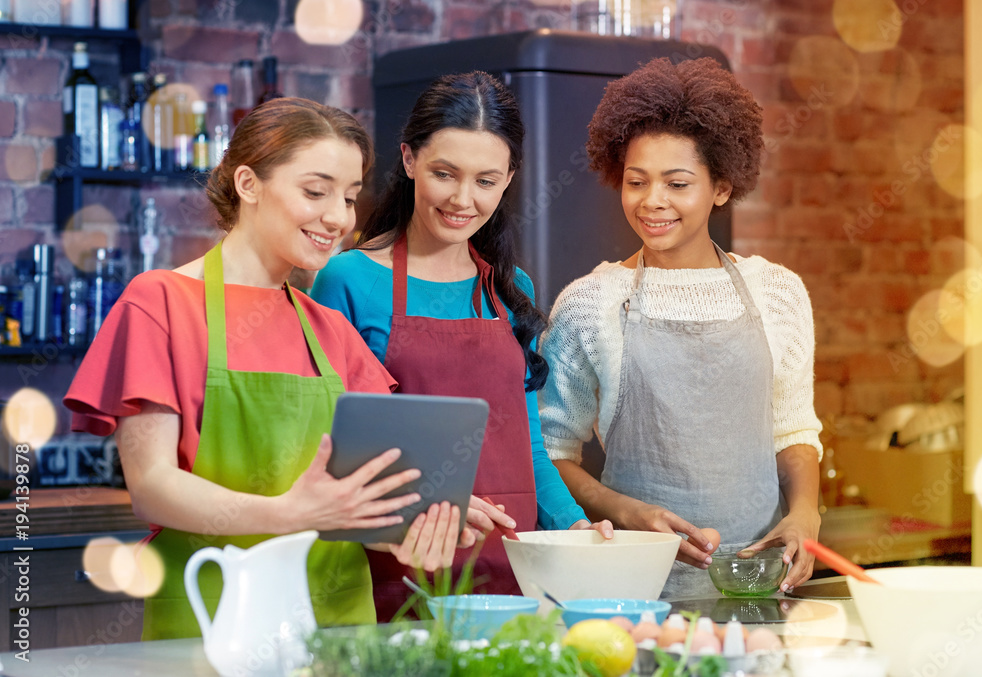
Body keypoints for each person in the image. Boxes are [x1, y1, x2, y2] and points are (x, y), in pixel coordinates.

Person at [64, 98, 464, 640]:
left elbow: (350, 504)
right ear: (249, 184)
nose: (338, 218)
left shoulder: (331, 331)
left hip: (335, 629)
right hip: (212, 622)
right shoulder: (159, 303)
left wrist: (412, 522)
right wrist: (290, 513)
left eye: (348, 198)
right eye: (315, 191)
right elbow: (152, 487)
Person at [311, 71, 612, 620]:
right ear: (408, 160)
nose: (462, 199)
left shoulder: (511, 289)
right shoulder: (346, 280)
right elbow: (331, 448)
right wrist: (426, 503)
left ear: (508, 180)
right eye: (444, 174)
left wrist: (576, 527)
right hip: (401, 560)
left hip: (513, 562)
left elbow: (529, 446)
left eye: (486, 181)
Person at [538, 57, 823, 599]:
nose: (653, 202)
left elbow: (793, 429)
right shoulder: (590, 303)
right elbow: (551, 452)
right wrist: (626, 510)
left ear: (721, 187)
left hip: (760, 583)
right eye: (636, 181)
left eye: (677, 183)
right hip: (634, 587)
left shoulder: (777, 292)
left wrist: (805, 513)